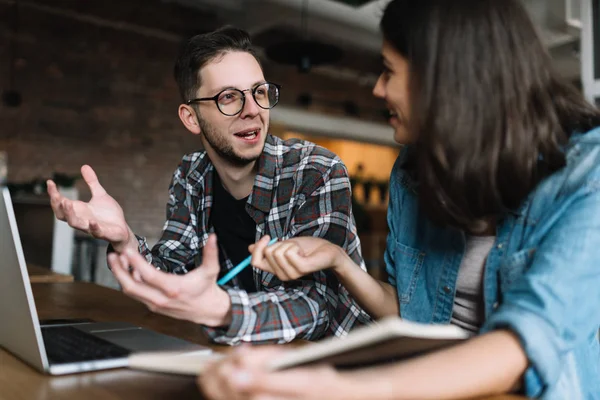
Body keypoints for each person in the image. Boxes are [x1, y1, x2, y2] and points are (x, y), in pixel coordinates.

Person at [197, 0, 600, 398]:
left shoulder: (588, 175)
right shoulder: (413, 170)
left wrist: (342, 387)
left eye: (388, 71)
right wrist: (337, 260)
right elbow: (411, 317)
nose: (377, 88)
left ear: (447, 78)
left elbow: (525, 343)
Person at [47, 26, 371, 345]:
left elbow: (319, 304)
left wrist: (223, 311)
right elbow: (172, 274)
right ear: (191, 118)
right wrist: (125, 240)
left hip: (337, 365)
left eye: (259, 92)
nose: (252, 110)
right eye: (229, 97)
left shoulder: (316, 170)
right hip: (240, 356)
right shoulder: (192, 175)